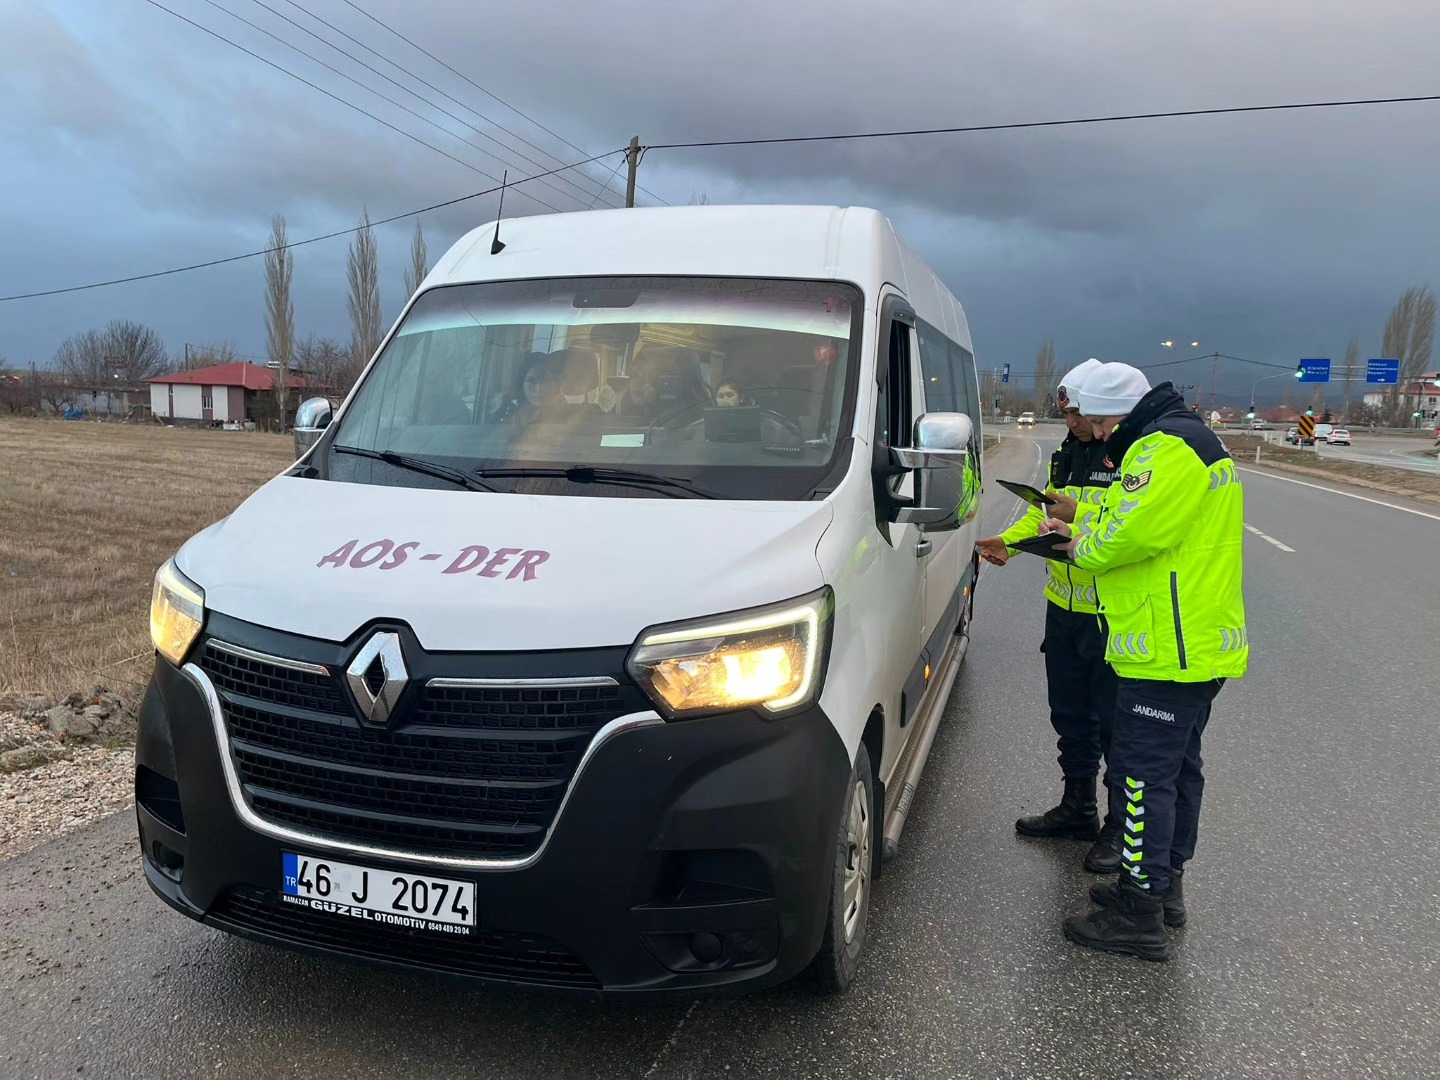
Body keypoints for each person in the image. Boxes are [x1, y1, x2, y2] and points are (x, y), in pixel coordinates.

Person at [1041, 364, 1249, 960]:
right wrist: (1084, 515)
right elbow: (1141, 518)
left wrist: (1077, 545)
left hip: (1166, 648)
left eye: (1100, 421)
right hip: (1192, 645)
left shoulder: (1163, 448)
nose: (1101, 433)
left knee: (1140, 776)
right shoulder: (1188, 439)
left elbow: (1126, 538)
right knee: (1177, 771)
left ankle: (1139, 912)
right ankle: (1163, 888)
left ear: (1118, 411)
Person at [976, 358, 1124, 873]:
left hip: (1111, 613)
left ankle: (1119, 828)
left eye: (1081, 414)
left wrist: (1076, 520)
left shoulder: (1130, 456)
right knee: (1070, 715)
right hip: (1063, 608)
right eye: (1068, 415)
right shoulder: (1066, 453)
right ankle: (1078, 807)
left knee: (1115, 727)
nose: (1074, 423)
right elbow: (1043, 516)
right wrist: (1008, 543)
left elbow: (1127, 528)